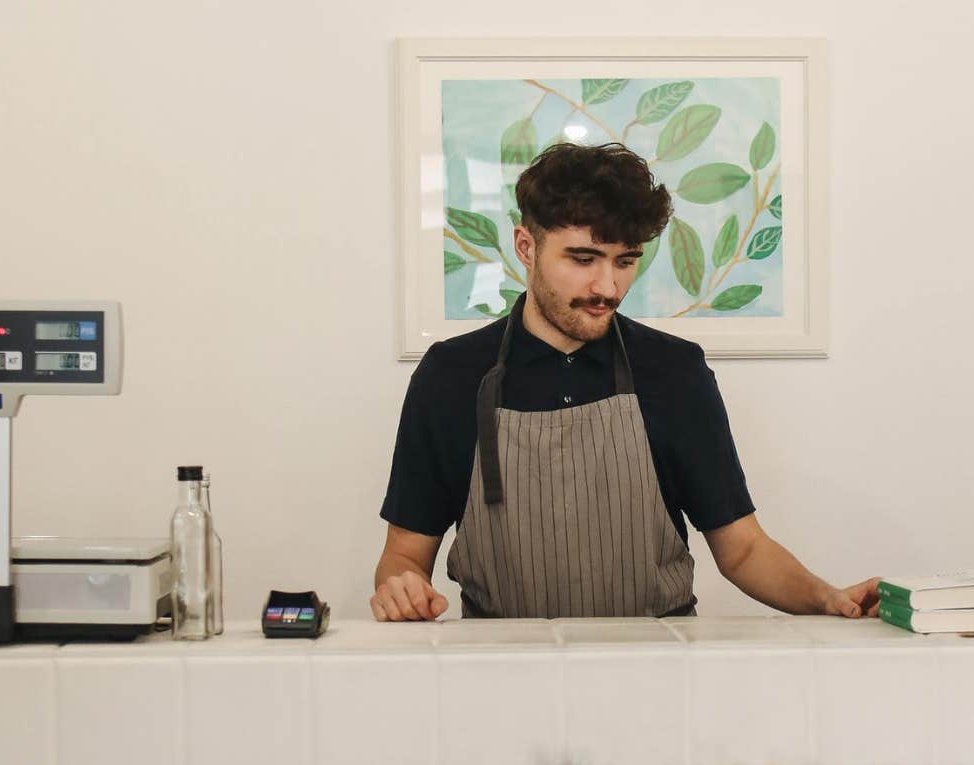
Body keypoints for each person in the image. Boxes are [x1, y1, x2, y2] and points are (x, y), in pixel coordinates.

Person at [372, 142, 879, 621]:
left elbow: (743, 549)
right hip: (503, 663)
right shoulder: (451, 375)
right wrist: (401, 588)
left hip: (659, 663)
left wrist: (826, 598)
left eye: (626, 261)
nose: (607, 287)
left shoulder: (675, 372)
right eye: (583, 259)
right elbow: (403, 555)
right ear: (526, 247)